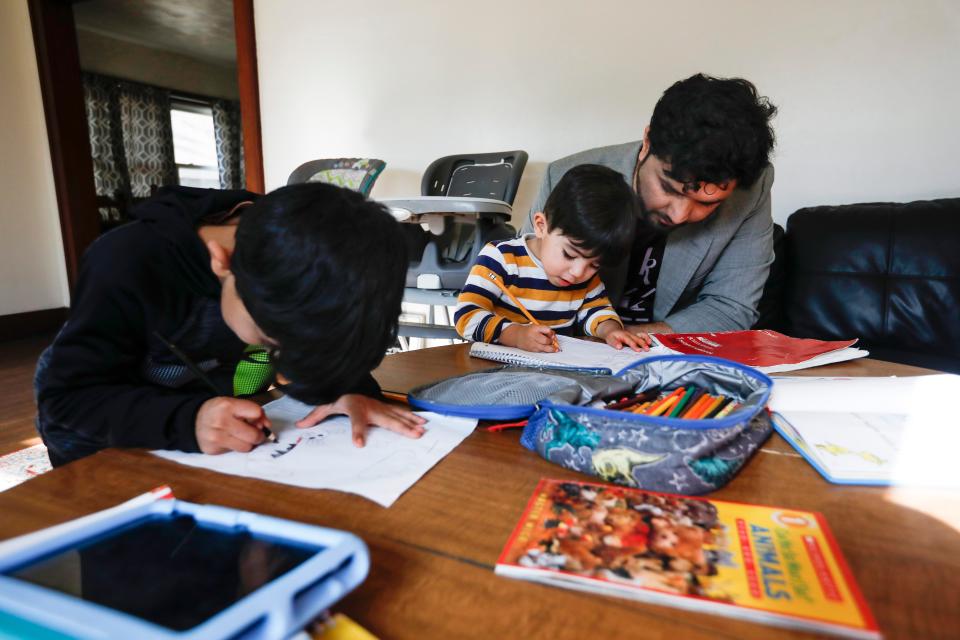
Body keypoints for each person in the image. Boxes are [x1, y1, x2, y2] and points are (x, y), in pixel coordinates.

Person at [34, 183, 425, 467]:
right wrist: (189, 421)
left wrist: (349, 389)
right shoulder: (126, 262)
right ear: (222, 261)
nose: (284, 364)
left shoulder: (298, 249)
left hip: (214, 441)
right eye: (270, 345)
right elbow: (67, 398)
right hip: (97, 438)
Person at [522, 73, 778, 335]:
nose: (679, 215)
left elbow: (731, 308)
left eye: (707, 203)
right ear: (647, 142)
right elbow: (522, 284)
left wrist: (627, 341)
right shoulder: (566, 178)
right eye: (668, 188)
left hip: (669, 356)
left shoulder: (748, 191)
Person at [454, 164, 651, 353]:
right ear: (541, 226)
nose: (578, 273)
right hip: (495, 367)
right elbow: (466, 315)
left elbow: (597, 311)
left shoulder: (586, 278)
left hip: (555, 371)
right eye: (570, 254)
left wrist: (611, 331)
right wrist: (515, 335)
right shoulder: (500, 258)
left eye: (594, 264)